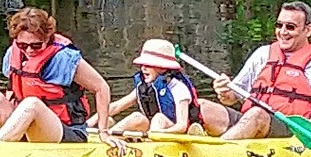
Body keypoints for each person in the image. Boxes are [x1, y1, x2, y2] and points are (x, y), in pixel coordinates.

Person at [0, 7, 116, 144]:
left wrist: (103, 132)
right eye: (23, 45)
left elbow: (101, 88)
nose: (29, 50)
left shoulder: (64, 58)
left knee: (32, 103)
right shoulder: (13, 53)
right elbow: (12, 91)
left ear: (47, 38)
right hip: (25, 125)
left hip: (65, 131)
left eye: (36, 45)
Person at [213, 1, 311, 140]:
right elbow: (232, 98)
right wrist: (224, 91)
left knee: (257, 114)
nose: (283, 32)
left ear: (308, 30)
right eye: (279, 25)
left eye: (290, 27)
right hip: (249, 121)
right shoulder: (263, 54)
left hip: (290, 130)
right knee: (202, 106)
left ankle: (218, 152)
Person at [96, 38, 238, 136]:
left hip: (172, 132)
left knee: (158, 118)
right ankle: (108, 135)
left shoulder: (178, 88)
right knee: (137, 117)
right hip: (156, 131)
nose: (143, 68)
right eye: (142, 65)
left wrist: (154, 134)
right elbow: (115, 107)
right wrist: (89, 123)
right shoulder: (146, 85)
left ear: (163, 68)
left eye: (149, 65)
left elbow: (181, 125)